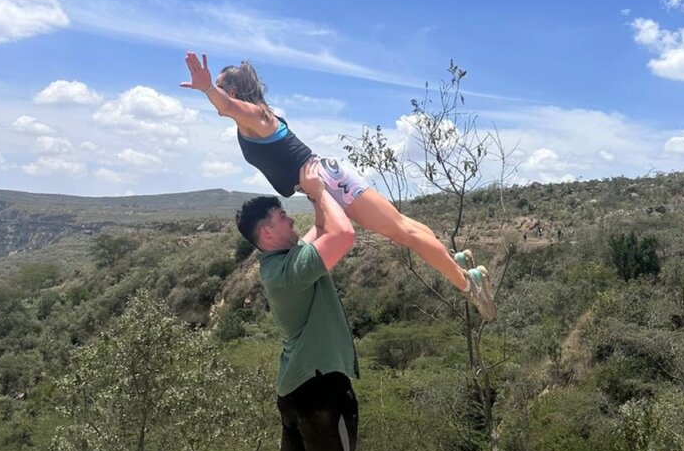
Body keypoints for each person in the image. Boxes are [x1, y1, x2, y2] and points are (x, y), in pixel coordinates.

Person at [180, 53, 497, 320]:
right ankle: (453, 262)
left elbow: (226, 107)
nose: (216, 93)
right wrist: (211, 88)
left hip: (327, 182)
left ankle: (469, 283)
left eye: (221, 86)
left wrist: (207, 88)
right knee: (404, 227)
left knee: (404, 232)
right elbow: (229, 109)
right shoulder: (252, 120)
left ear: (232, 90)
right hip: (326, 179)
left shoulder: (255, 116)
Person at [233, 161, 359, 451]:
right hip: (323, 392)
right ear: (266, 234)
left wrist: (314, 195)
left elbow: (325, 226)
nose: (292, 222)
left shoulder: (283, 263)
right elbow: (343, 234)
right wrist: (313, 190)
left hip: (296, 391)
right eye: (282, 218)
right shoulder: (288, 271)